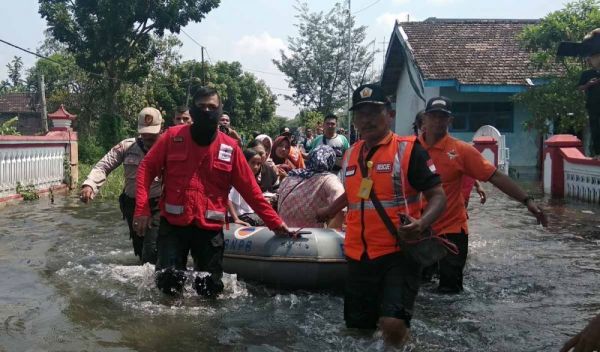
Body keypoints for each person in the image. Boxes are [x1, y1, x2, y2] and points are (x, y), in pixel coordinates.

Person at [316, 83, 447, 347]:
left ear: (389, 114)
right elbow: (357, 193)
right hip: (357, 255)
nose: (366, 119)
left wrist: (422, 223)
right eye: (361, 113)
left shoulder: (409, 150)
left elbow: (438, 196)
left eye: (374, 111)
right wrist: (330, 209)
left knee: (392, 324)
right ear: (354, 119)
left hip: (397, 253)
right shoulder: (351, 153)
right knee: (358, 330)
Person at [133, 87, 292, 297]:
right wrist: (142, 209)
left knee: (210, 291)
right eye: (201, 107)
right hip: (173, 226)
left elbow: (251, 192)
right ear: (193, 110)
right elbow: (145, 169)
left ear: (220, 111)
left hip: (209, 230)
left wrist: (275, 223)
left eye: (212, 107)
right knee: (167, 285)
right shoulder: (172, 137)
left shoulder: (231, 148)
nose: (206, 111)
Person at [418, 96, 547, 294]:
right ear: (424, 119)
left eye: (443, 117)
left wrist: (527, 201)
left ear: (450, 121)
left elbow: (495, 176)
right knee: (420, 288)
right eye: (433, 116)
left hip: (452, 230)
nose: (437, 121)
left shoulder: (461, 150)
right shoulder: (409, 149)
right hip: (419, 231)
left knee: (449, 293)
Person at [80, 107, 163, 264]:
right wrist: (90, 185)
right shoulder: (127, 146)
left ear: (161, 129)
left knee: (152, 249)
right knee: (139, 249)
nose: (148, 139)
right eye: (144, 134)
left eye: (152, 136)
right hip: (132, 205)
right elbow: (103, 166)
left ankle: (155, 282)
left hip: (158, 205)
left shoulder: (169, 148)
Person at [278, 145, 345, 228]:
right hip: (312, 236)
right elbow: (340, 205)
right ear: (331, 160)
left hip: (283, 231)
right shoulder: (328, 179)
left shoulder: (291, 175)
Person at [228, 148, 266, 227]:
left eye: (258, 164)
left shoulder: (252, 180)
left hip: (248, 214)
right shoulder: (238, 179)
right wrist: (236, 219)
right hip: (238, 216)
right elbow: (227, 199)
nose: (256, 167)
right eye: (253, 163)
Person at [577, 29, 600, 156]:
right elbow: (580, 88)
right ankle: (598, 153)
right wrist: (589, 84)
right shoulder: (587, 74)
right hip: (593, 105)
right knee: (595, 130)